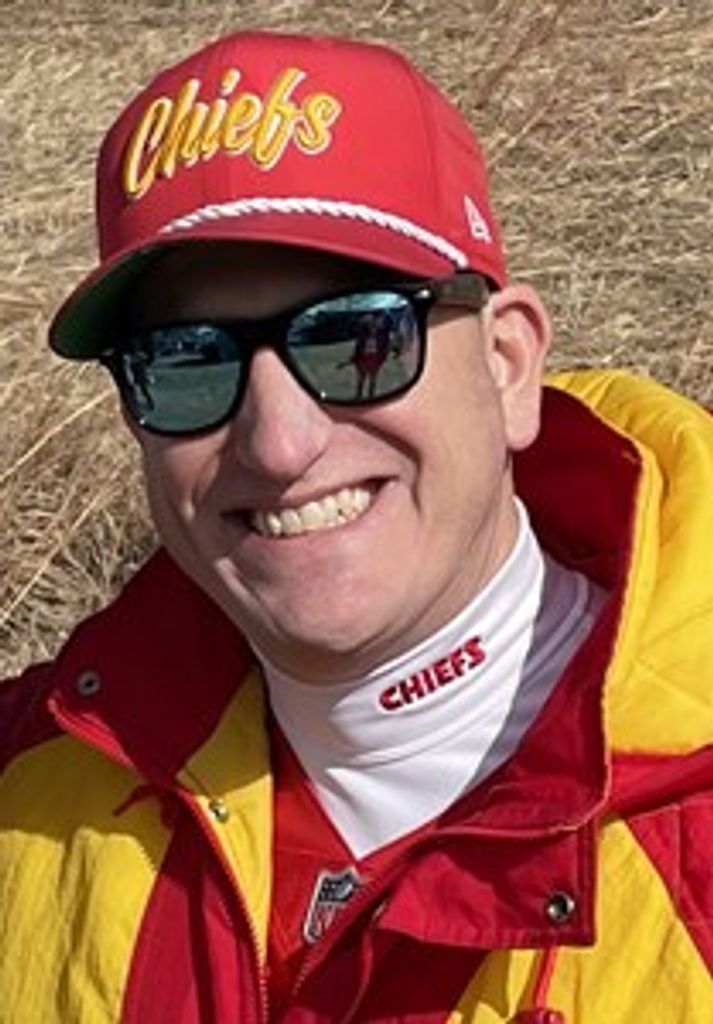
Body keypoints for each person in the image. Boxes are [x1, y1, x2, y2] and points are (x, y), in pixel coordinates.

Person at [2, 29, 713, 1024]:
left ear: (507, 365)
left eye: (357, 338)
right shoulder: (32, 780)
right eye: (188, 359)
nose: (278, 442)